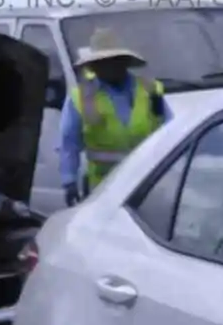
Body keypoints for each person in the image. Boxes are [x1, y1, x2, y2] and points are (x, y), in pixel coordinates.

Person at [59, 32, 170, 206]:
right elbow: (69, 144)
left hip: (147, 184)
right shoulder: (80, 97)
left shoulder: (151, 90)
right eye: (101, 62)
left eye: (113, 60)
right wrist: (69, 182)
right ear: (93, 66)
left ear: (124, 62)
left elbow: (171, 131)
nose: (107, 66)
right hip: (103, 190)